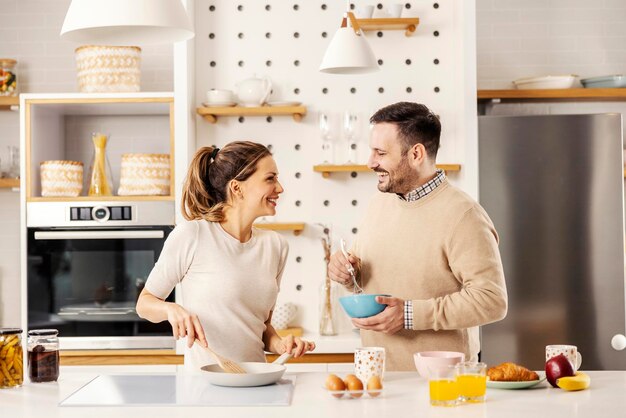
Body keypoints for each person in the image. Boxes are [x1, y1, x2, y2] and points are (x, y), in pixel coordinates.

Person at [329, 102, 508, 371]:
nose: (370, 162)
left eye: (380, 152)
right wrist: (346, 274)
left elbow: (491, 300)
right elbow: (367, 284)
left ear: (416, 154)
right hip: (378, 376)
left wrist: (410, 315)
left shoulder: (464, 215)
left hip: (442, 381)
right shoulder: (380, 203)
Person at [137, 141, 315, 370]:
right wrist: (171, 309)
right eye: (270, 178)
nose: (279, 188)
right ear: (237, 188)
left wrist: (281, 345)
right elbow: (145, 304)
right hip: (205, 389)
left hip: (256, 383)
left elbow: (262, 329)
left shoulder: (275, 246)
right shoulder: (193, 235)